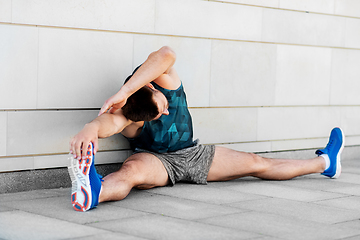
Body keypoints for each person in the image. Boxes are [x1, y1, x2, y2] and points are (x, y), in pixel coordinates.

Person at [68, 46, 345, 212]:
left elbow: (167, 53)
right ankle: (93, 192)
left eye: (163, 105)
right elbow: (113, 122)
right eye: (159, 114)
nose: (165, 111)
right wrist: (90, 129)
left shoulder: (163, 80)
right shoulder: (133, 112)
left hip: (193, 154)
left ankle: (325, 162)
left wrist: (125, 90)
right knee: (129, 173)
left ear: (152, 85)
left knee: (257, 163)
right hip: (156, 161)